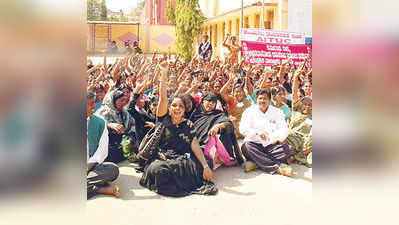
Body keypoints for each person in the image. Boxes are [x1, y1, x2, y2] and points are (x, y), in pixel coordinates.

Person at [139, 62, 217, 197]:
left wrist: (205, 166)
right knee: (158, 170)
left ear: (184, 109)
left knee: (207, 162)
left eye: (180, 106)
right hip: (163, 158)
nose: (177, 108)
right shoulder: (164, 119)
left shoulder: (188, 125)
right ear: (169, 108)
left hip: (182, 158)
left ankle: (181, 178)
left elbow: (195, 145)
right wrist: (163, 73)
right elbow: (163, 98)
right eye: (174, 105)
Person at [239, 88, 295, 176]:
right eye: (260, 98)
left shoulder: (277, 112)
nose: (262, 101)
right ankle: (278, 167)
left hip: (272, 144)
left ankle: (256, 162)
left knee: (289, 150)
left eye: (265, 98)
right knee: (246, 147)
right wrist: (257, 132)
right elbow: (242, 128)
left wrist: (275, 138)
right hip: (254, 144)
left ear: (269, 100)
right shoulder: (249, 111)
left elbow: (284, 129)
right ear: (256, 100)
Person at [189, 93, 244, 167]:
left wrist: (218, 126)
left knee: (226, 129)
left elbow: (228, 123)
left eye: (213, 102)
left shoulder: (218, 114)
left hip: (208, 143)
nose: (211, 104)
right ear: (203, 102)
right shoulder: (196, 113)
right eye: (209, 101)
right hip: (194, 143)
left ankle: (223, 157)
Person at [87, 91, 120, 199]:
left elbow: (102, 150)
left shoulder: (100, 123)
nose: (94, 106)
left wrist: (88, 166)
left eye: (94, 103)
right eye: (90, 103)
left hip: (92, 166)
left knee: (113, 169)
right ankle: (98, 189)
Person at [96, 89, 136, 163]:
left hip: (123, 146)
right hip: (107, 147)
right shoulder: (103, 112)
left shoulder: (125, 113)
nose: (124, 103)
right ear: (113, 101)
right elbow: (95, 125)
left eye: (124, 100)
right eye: (121, 100)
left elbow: (132, 125)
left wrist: (130, 138)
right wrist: (108, 125)